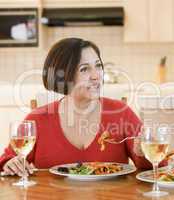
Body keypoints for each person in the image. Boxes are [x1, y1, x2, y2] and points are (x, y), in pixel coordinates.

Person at [0, 38, 151, 177]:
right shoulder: (37, 119)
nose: (96, 76)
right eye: (84, 69)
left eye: (98, 66)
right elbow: (7, 160)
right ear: (64, 75)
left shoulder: (121, 113)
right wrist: (10, 163)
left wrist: (143, 153)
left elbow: (154, 169)